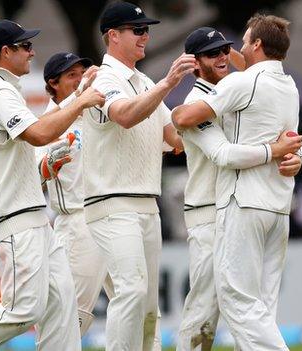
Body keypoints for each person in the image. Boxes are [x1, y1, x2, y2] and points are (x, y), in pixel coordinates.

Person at [0, 20, 105, 351]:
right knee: (22, 310)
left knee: (62, 307)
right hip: (12, 217)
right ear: (5, 51)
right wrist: (81, 100)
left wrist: (44, 168)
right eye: (25, 46)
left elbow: (27, 147)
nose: (32, 52)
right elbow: (40, 134)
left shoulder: (4, 88)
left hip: (32, 216)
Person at [172, 14, 301, 351]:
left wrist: (289, 156)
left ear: (255, 45)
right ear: (194, 62)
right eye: (212, 52)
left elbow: (280, 140)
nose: (225, 56)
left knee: (243, 304)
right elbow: (222, 148)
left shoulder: (241, 87)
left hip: (241, 205)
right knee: (224, 308)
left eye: (227, 48)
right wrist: (278, 152)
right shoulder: (279, 85)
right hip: (211, 213)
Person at [82, 2, 196, 350]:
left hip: (147, 204)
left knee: (148, 307)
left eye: (147, 29)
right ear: (112, 36)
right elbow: (125, 115)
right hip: (112, 202)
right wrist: (169, 83)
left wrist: (210, 107)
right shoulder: (104, 79)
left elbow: (174, 138)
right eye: (138, 30)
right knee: (130, 291)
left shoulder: (142, 81)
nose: (145, 36)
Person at [38, 52, 109, 335]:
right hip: (79, 224)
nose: (81, 81)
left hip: (113, 215)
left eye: (82, 73)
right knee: (74, 315)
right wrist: (47, 165)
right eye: (72, 76)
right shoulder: (46, 123)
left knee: (136, 304)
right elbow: (34, 173)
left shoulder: (97, 114)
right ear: (53, 83)